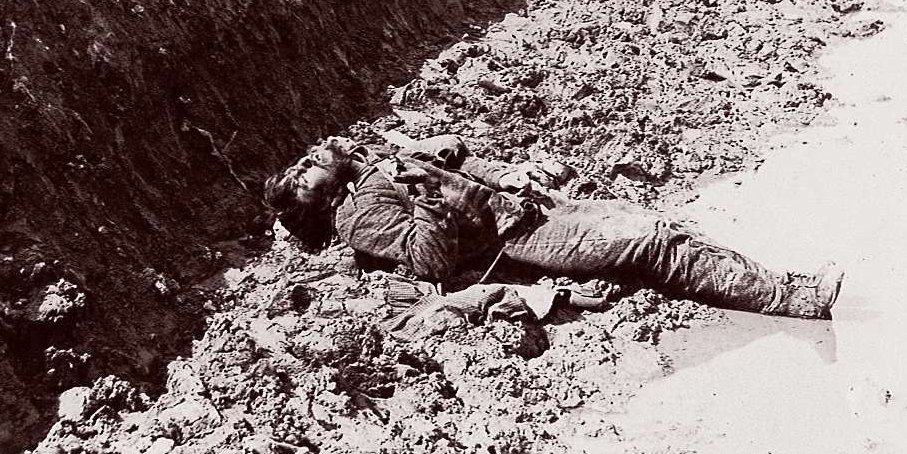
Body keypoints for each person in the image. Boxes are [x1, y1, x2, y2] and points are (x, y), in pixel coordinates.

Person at [264, 134, 843, 319]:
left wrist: (441, 153)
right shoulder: (358, 214)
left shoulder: (374, 162)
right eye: (302, 176)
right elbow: (430, 260)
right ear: (321, 201)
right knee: (654, 242)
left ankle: (782, 284)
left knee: (665, 226)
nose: (310, 159)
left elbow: (456, 163)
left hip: (532, 206)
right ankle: (793, 300)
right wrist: (429, 199)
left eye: (303, 162)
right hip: (517, 239)